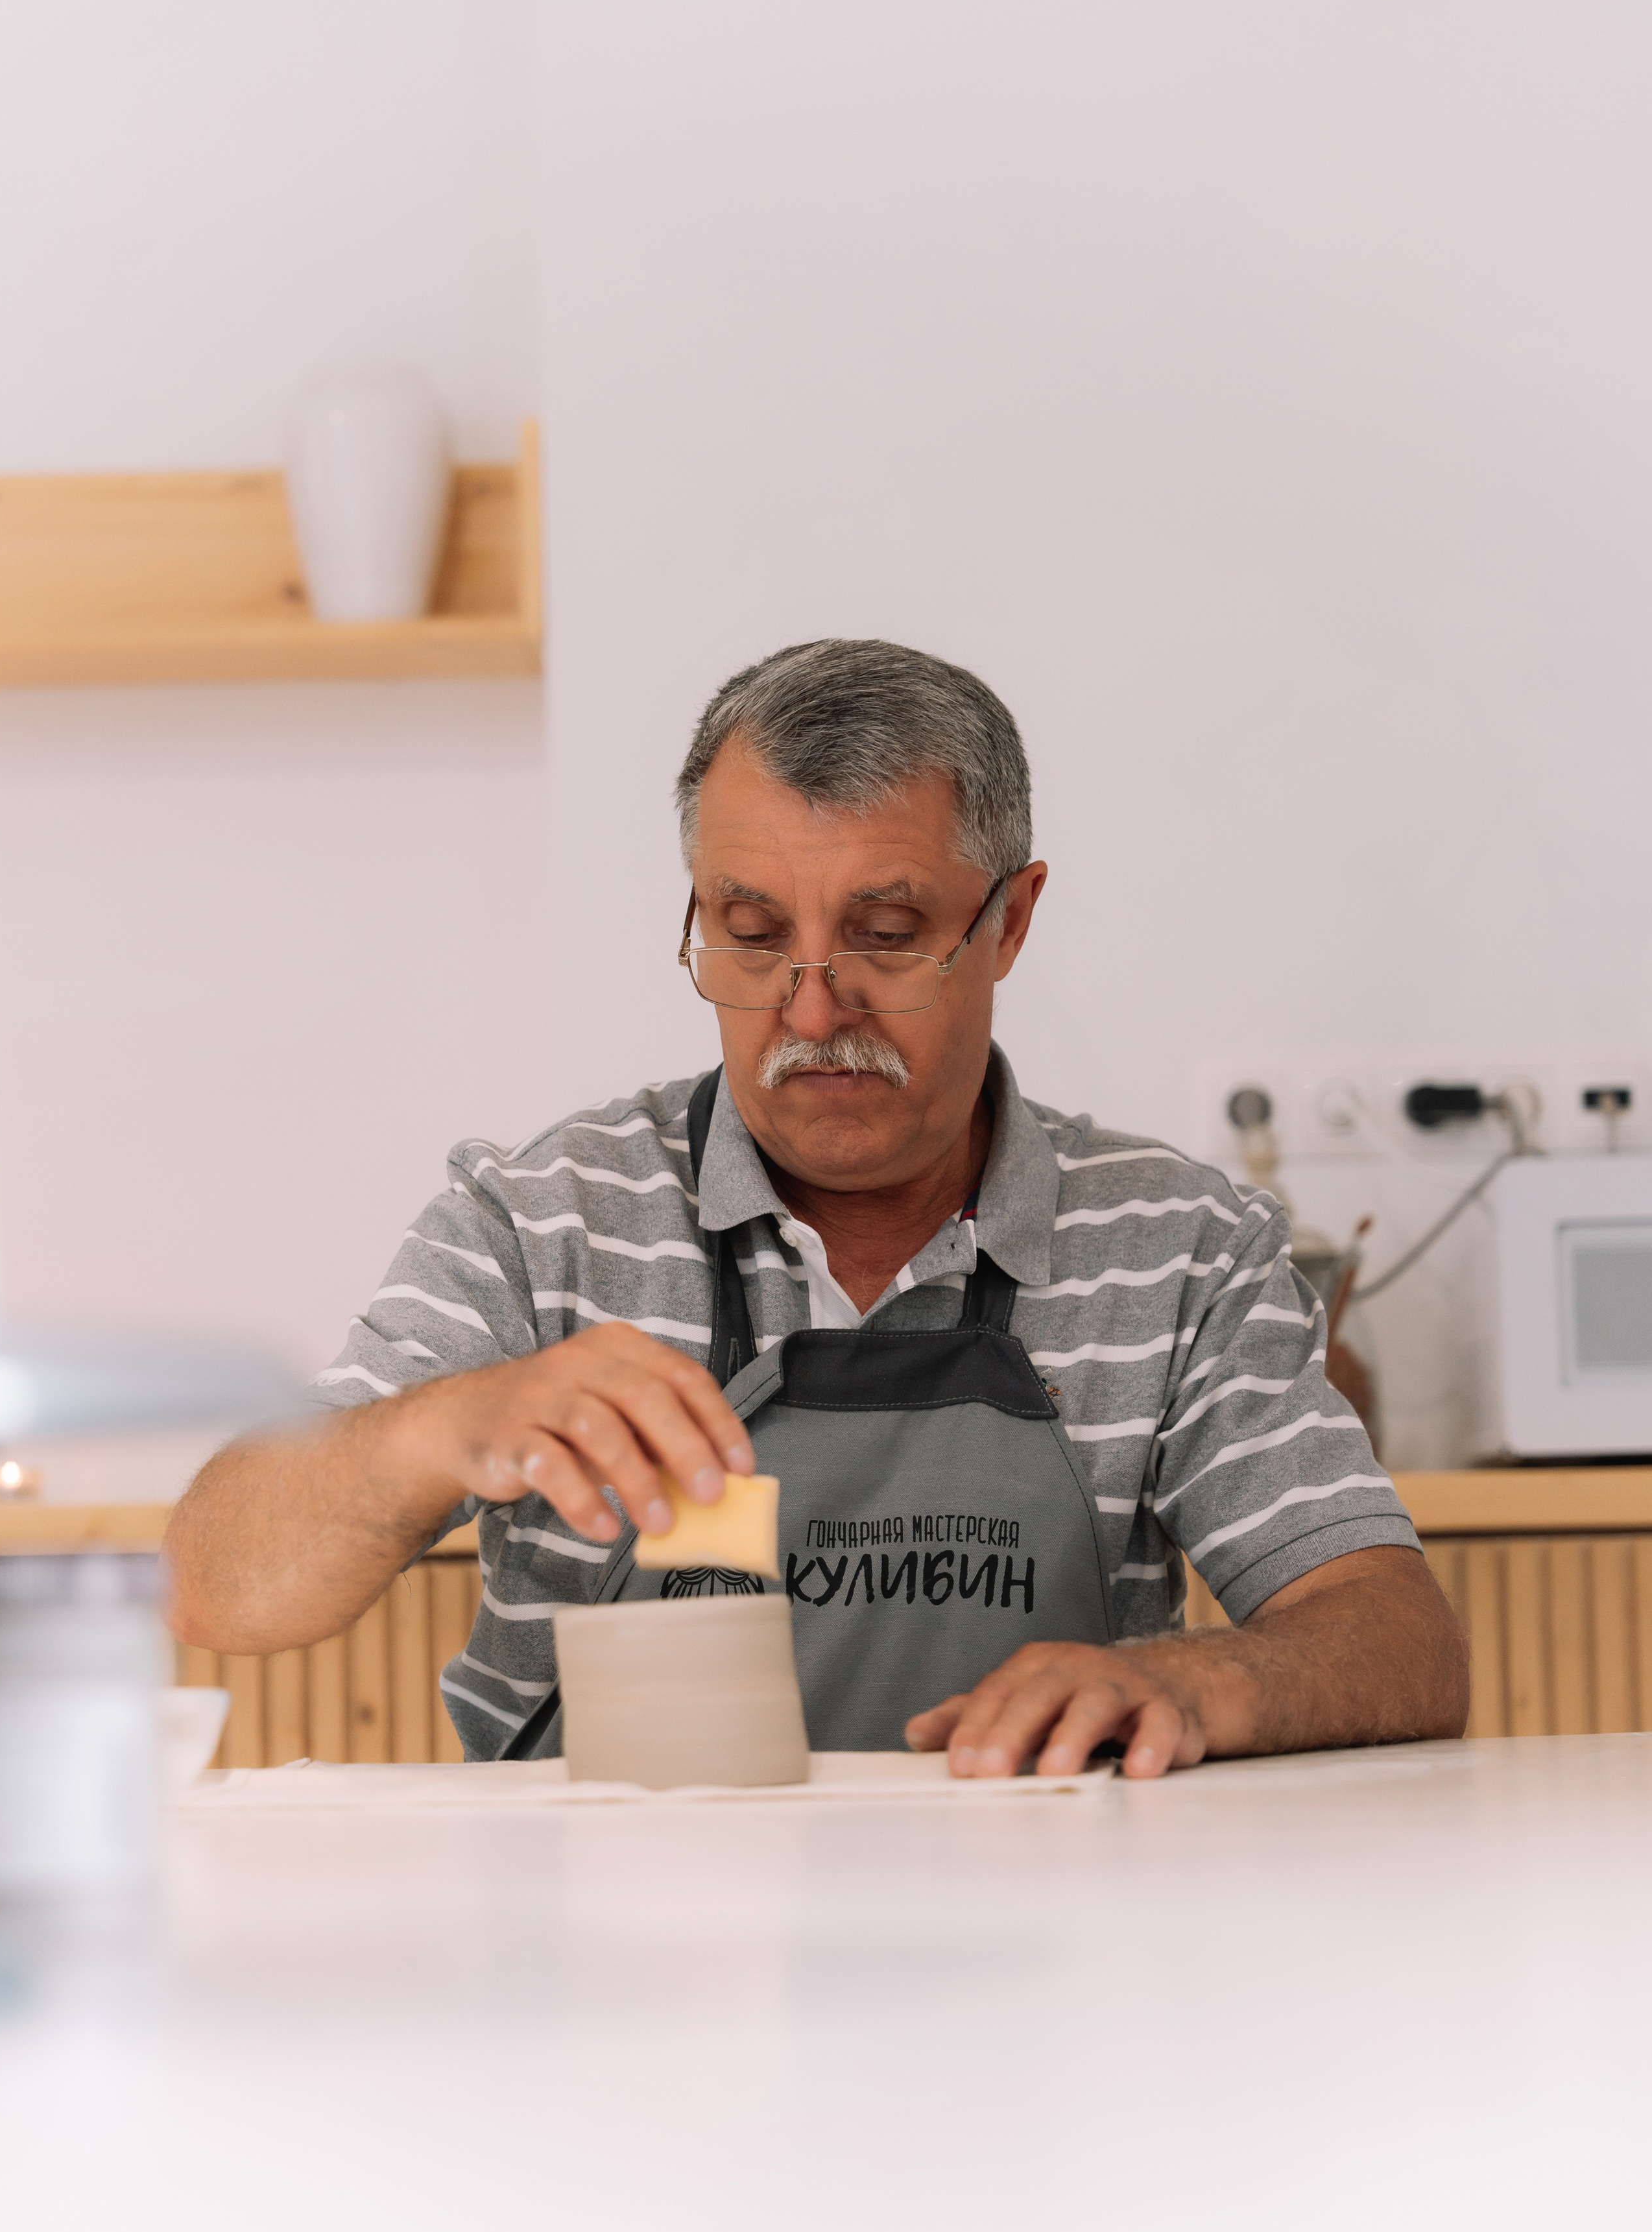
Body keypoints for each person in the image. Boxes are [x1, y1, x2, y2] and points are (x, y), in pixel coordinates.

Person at [165, 639, 1468, 1777]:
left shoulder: (1175, 1252)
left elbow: (1395, 1637)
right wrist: (442, 1427)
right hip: (603, 1973)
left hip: (1049, 1955)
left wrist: (1201, 1683)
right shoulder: (543, 1221)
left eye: (885, 934)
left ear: (1009, 921)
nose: (808, 1007)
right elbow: (216, 1582)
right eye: (748, 933)